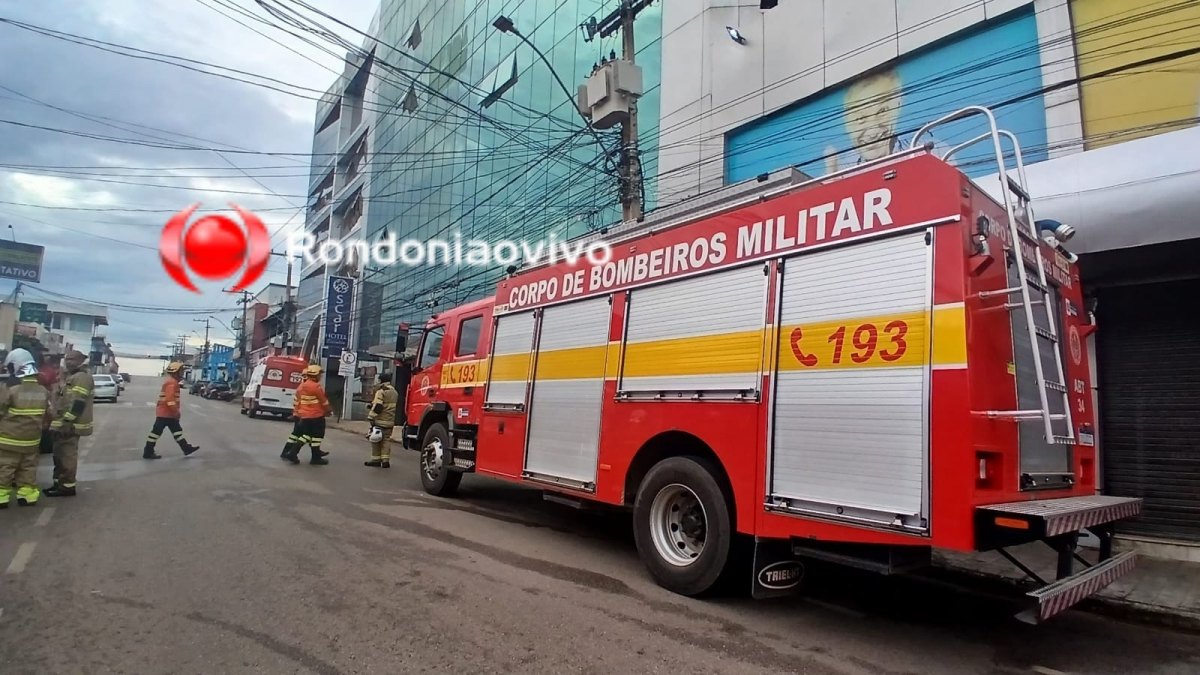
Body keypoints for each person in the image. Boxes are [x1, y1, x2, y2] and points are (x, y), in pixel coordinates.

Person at [0, 349, 49, 508]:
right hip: (32, 439)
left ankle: (2, 497)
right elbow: (51, 413)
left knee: (5, 467)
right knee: (28, 467)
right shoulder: (43, 391)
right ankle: (27, 496)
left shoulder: (11, 390)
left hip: (9, 438)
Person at [44, 350, 93, 497]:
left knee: (67, 456)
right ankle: (58, 483)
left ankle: (67, 487)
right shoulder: (71, 376)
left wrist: (67, 421)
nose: (68, 362)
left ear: (80, 360)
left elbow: (78, 402)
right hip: (62, 424)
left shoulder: (82, 377)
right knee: (59, 455)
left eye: (72, 359)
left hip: (70, 426)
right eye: (67, 359)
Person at [142, 361, 199, 459]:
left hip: (166, 413)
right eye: (181, 371)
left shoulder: (171, 382)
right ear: (176, 372)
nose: (182, 373)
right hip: (166, 413)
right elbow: (170, 400)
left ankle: (186, 448)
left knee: (176, 432)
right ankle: (148, 452)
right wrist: (175, 412)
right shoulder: (172, 383)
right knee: (156, 433)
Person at [281, 364, 332, 465]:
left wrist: (296, 413)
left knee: (307, 435)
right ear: (316, 375)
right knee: (315, 435)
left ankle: (295, 452)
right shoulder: (315, 386)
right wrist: (328, 411)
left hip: (304, 415)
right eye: (319, 375)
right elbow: (323, 401)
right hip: (316, 415)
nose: (320, 377)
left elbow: (298, 402)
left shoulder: (302, 386)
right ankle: (302, 454)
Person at [364, 372, 399, 468]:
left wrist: (371, 417)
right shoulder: (394, 392)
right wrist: (372, 405)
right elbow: (387, 405)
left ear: (380, 380)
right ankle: (385, 461)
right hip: (390, 421)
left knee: (375, 440)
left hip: (380, 420)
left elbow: (379, 406)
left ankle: (376, 460)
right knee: (386, 440)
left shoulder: (381, 391)